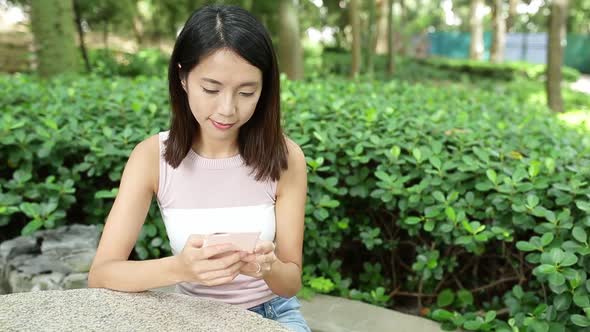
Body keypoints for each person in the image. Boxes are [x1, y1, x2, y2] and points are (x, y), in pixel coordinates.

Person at [88, 5, 310, 331]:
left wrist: (268, 267)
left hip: (272, 313)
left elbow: (290, 282)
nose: (227, 109)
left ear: (265, 90)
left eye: (247, 92)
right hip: (191, 316)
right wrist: (182, 268)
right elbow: (102, 273)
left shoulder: (285, 156)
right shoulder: (152, 158)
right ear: (182, 77)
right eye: (211, 89)